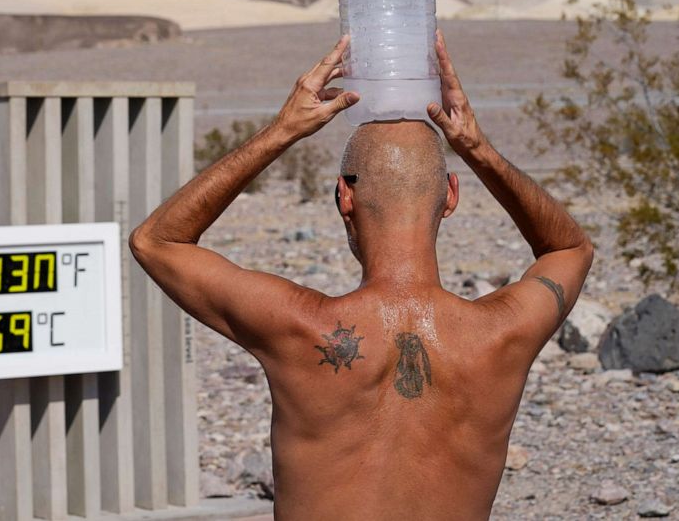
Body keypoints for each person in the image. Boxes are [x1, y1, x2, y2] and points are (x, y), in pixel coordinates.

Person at [130, 31, 593, 520]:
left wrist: (283, 131)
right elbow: (569, 247)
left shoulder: (299, 328)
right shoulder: (501, 334)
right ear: (451, 195)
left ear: (343, 197)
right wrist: (478, 149)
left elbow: (157, 241)